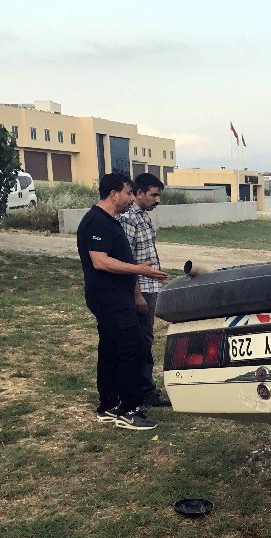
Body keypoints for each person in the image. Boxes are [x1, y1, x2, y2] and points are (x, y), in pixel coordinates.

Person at [76, 173, 169, 431]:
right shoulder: (97, 221)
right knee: (134, 348)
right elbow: (100, 261)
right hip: (110, 298)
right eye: (128, 193)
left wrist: (139, 270)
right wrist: (141, 270)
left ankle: (108, 406)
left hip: (113, 297)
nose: (131, 198)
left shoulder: (109, 220)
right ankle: (130, 409)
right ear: (113, 193)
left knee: (110, 351)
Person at [118, 172, 170, 407]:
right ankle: (142, 390)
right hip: (140, 289)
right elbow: (127, 259)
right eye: (153, 195)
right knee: (141, 341)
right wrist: (137, 293)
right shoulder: (129, 218)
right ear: (139, 193)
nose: (157, 200)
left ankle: (143, 387)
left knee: (145, 339)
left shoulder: (144, 216)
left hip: (150, 287)